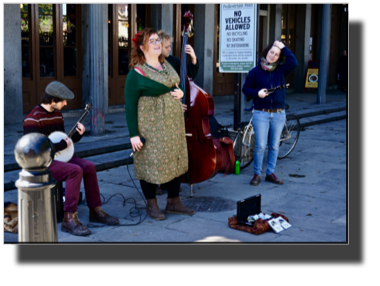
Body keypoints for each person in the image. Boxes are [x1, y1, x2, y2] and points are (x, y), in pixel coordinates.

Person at [23, 81, 119, 236]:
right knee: (74, 171)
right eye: (63, 101)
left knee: (89, 166)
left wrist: (77, 136)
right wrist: (61, 145)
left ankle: (95, 210)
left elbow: (64, 141)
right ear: (53, 101)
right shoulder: (32, 118)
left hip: (57, 157)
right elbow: (34, 150)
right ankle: (69, 218)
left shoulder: (57, 114)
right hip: (41, 163)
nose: (66, 103)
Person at [124, 28, 194, 220]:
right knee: (150, 162)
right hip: (151, 126)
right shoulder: (136, 73)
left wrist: (180, 92)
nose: (156, 43)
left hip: (173, 124)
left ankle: (174, 201)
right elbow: (129, 106)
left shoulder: (166, 65)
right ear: (141, 47)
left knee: (174, 159)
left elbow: (175, 84)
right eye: (152, 41)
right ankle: (151, 204)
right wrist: (133, 134)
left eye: (157, 40)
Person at [242, 40, 298, 186]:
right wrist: (257, 93)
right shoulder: (255, 72)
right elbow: (246, 89)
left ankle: (270, 173)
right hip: (261, 113)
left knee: (274, 145)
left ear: (279, 57)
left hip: (279, 113)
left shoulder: (281, 70)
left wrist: (283, 47)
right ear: (266, 52)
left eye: (276, 54)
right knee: (260, 145)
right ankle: (256, 174)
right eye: (271, 52)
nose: (273, 56)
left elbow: (294, 63)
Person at [155, 30, 199, 195]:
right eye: (167, 46)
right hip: (160, 114)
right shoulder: (152, 64)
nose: (170, 49)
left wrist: (193, 58)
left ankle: (171, 182)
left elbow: (187, 76)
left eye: (170, 45)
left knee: (171, 151)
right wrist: (173, 105)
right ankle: (158, 182)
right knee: (160, 150)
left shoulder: (173, 60)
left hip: (174, 113)